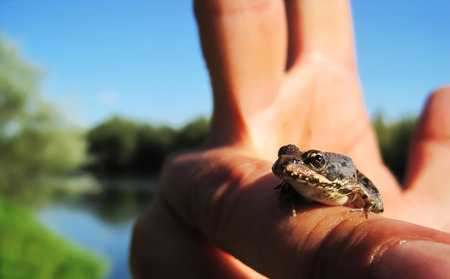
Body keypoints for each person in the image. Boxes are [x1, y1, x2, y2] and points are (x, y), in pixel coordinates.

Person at [129, 0, 450, 278]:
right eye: (288, 154)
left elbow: (362, 193)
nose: (290, 163)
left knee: (377, 202)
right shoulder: (291, 176)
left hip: (346, 179)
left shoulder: (345, 185)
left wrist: (369, 210)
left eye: (311, 162)